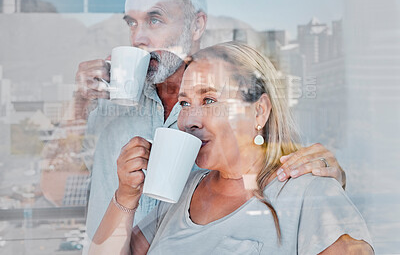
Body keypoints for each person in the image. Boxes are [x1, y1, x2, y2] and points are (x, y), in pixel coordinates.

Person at [74, 0, 346, 241]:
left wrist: (323, 177)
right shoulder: (104, 104)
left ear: (196, 25)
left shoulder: (239, 107)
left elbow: (289, 165)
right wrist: (78, 106)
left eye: (154, 20)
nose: (137, 38)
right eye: (131, 23)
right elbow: (55, 190)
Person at [89, 42, 373, 254]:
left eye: (209, 100)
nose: (190, 120)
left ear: (259, 111)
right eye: (185, 104)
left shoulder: (310, 191)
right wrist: (126, 196)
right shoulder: (182, 192)